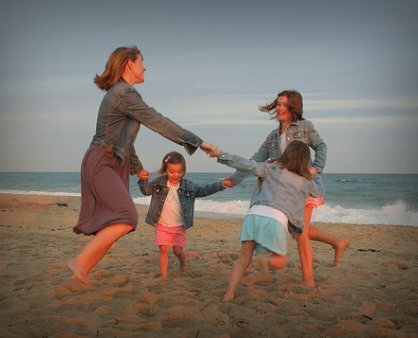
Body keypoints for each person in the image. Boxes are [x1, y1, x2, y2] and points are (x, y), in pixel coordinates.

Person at [68, 46, 217, 287]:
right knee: (126, 217)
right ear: (129, 63)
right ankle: (80, 264)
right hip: (102, 161)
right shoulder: (123, 94)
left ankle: (81, 271)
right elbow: (157, 120)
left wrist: (136, 168)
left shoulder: (123, 95)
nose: (144, 67)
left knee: (117, 221)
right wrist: (199, 142)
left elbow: (125, 140)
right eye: (141, 62)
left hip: (112, 161)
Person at [223, 90, 349, 287]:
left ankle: (308, 280)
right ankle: (337, 242)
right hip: (280, 189)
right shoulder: (273, 136)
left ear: (293, 108)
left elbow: (321, 146)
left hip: (300, 186)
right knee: (297, 227)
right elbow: (255, 160)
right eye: (278, 104)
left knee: (301, 233)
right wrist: (235, 179)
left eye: (284, 104)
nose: (280, 108)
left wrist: (317, 169)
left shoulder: (305, 127)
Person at [212, 140, 324, 302]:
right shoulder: (305, 182)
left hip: (252, 215)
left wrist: (220, 154)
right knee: (280, 262)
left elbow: (248, 165)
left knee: (243, 258)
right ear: (305, 161)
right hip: (275, 219)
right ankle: (263, 259)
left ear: (286, 154)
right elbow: (319, 192)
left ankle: (228, 294)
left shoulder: (270, 168)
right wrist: (314, 174)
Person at [138, 151, 226, 278]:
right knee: (163, 250)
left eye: (179, 172)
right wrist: (143, 180)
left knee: (177, 251)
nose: (175, 175)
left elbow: (203, 190)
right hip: (162, 224)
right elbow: (146, 191)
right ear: (165, 170)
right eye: (172, 171)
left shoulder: (188, 186)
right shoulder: (159, 183)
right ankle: (163, 276)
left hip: (179, 226)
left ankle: (183, 263)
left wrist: (220, 185)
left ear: (184, 171)